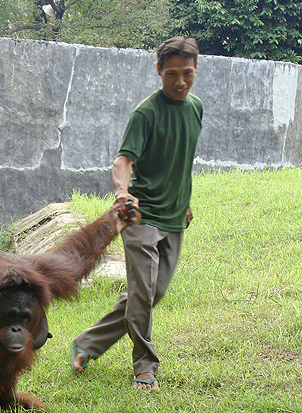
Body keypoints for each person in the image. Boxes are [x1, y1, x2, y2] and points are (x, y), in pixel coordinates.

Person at [70, 36, 203, 392]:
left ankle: (87, 343)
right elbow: (123, 160)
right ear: (159, 71)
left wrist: (185, 199)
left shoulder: (195, 109)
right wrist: (122, 194)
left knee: (149, 294)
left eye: (187, 73)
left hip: (175, 217)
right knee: (143, 294)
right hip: (141, 217)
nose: (179, 82)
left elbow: (182, 161)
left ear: (195, 70)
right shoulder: (146, 112)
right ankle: (145, 364)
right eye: (171, 74)